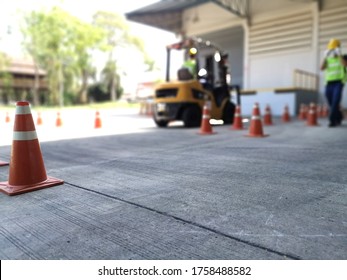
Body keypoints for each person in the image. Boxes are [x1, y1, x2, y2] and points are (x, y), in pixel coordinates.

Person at [320, 38, 347, 127]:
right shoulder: (328, 58)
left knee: (335, 101)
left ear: (338, 48)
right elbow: (321, 68)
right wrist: (325, 56)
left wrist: (339, 55)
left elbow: (345, 64)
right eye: (330, 49)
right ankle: (339, 117)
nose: (332, 51)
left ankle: (332, 121)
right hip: (329, 83)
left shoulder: (343, 56)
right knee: (331, 102)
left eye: (333, 48)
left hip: (339, 83)